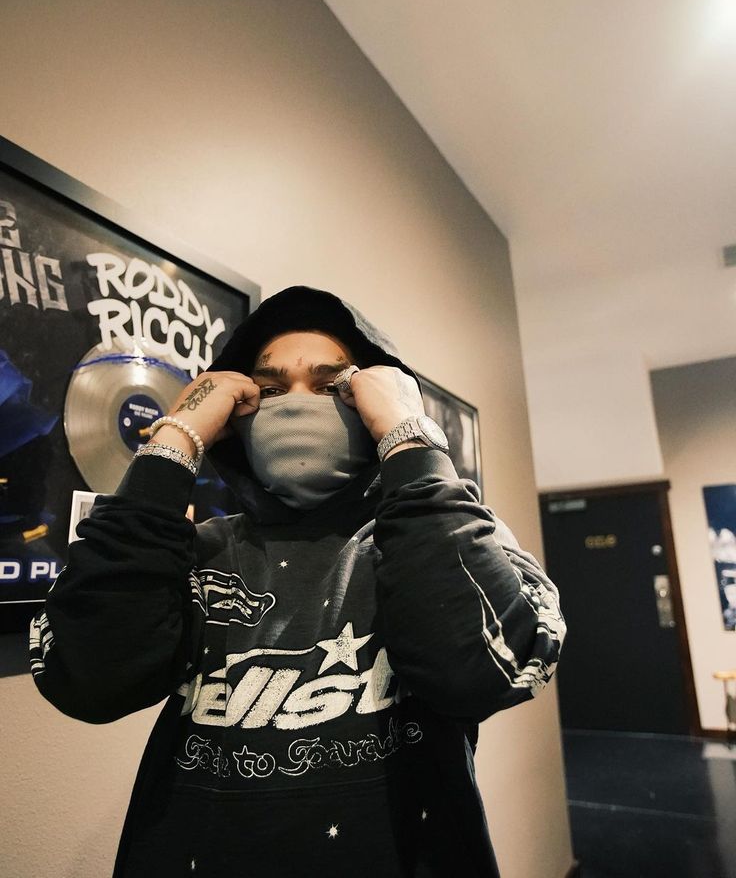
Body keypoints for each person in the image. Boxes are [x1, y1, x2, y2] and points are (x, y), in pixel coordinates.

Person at [29, 285, 566, 878]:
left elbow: (485, 674)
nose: (296, 404)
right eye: (271, 389)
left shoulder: (452, 537)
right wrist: (173, 441)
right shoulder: (194, 553)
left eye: (334, 386)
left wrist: (409, 437)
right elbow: (88, 681)